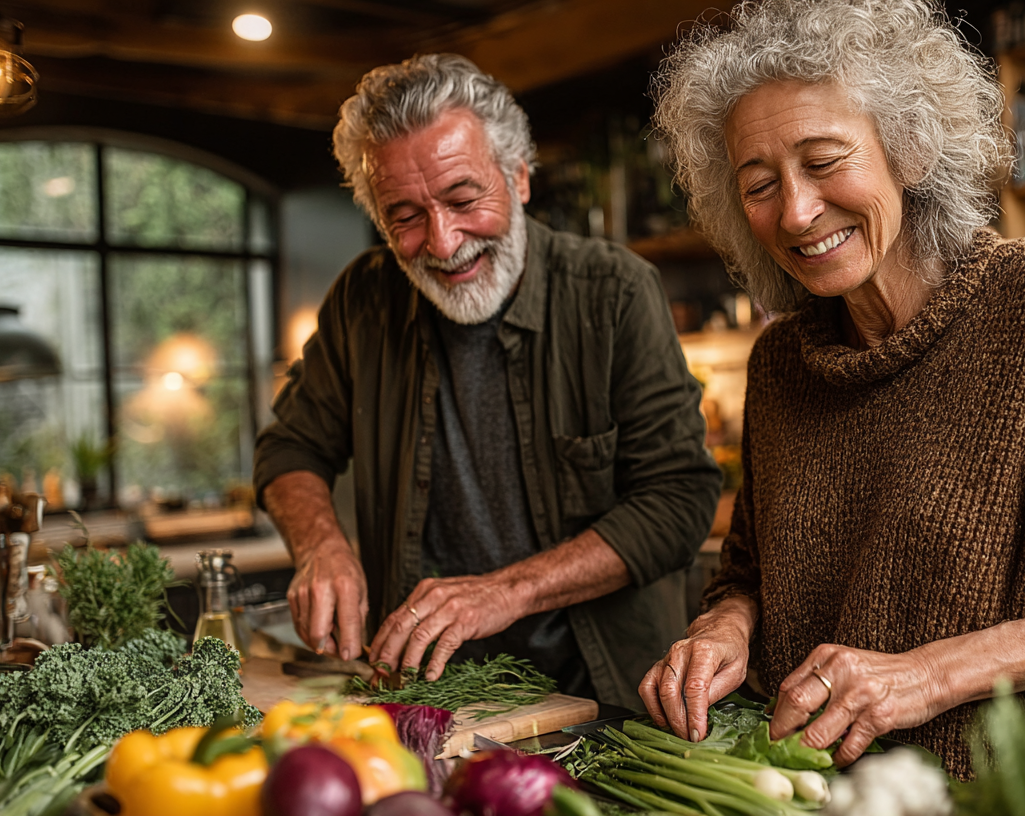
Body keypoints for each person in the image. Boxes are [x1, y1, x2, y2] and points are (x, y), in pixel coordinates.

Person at [640, 0, 1025, 777]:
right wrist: (725, 625)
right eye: (759, 184)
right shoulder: (781, 365)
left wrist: (926, 676)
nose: (795, 211)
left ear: (913, 149)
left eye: (823, 162)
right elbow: (751, 575)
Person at [255, 54, 721, 709]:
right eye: (404, 216)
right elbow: (289, 447)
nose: (443, 243)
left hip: (603, 700)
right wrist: (320, 547)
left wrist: (506, 591)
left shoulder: (614, 291)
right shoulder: (363, 299)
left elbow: (678, 500)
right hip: (424, 698)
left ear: (519, 177)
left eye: (463, 199)